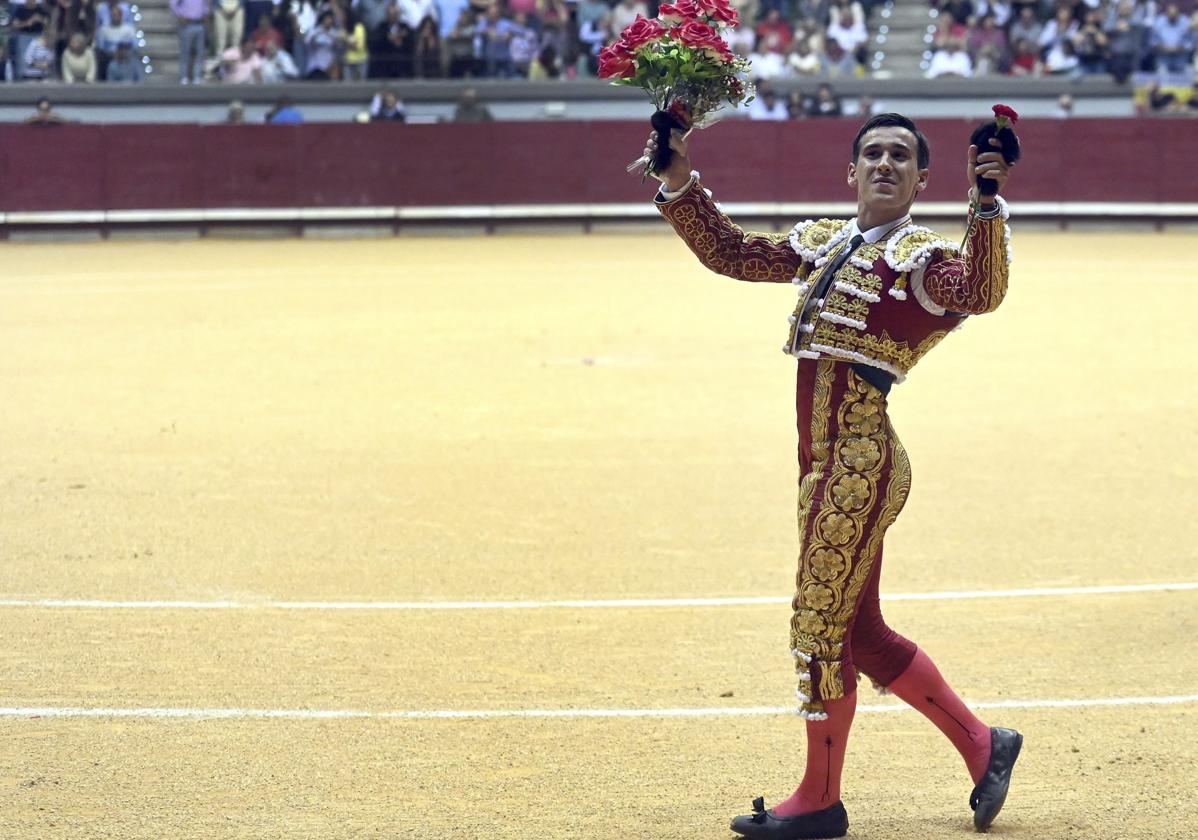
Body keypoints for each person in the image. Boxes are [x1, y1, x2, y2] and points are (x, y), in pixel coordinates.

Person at [644, 111, 1022, 838]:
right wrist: (678, 177)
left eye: (900, 156)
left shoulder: (925, 261)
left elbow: (982, 289)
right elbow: (733, 253)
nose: (884, 163)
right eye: (872, 153)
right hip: (821, 466)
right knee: (863, 633)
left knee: (819, 625)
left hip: (857, 463)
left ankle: (820, 800)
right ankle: (984, 744)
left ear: (920, 180)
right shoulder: (827, 241)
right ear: (851, 172)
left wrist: (985, 205)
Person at [170, 0, 209, 83]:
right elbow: (173, 3)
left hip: (200, 23)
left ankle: (197, 76)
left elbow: (205, 3)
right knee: (185, 51)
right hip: (187, 24)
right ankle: (184, 76)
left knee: (200, 52)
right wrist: (179, 15)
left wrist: (205, 12)